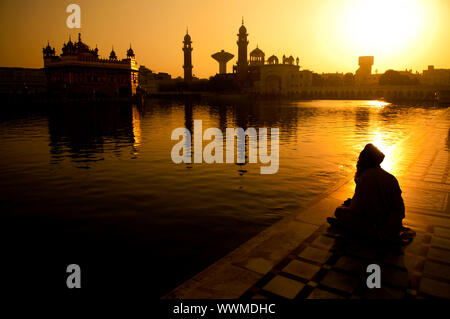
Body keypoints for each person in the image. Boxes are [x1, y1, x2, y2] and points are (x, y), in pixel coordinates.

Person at [328, 143, 408, 242]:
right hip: (394, 227)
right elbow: (400, 211)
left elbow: (356, 209)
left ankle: (367, 233)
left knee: (339, 211)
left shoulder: (365, 177)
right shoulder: (391, 177)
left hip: (377, 228)